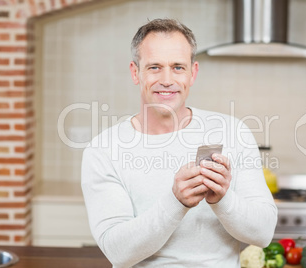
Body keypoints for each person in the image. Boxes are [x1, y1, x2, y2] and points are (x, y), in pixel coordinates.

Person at [81, 18, 277, 268]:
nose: (166, 79)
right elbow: (118, 252)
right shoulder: (103, 150)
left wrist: (223, 199)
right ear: (135, 72)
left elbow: (263, 233)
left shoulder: (232, 132)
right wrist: (176, 202)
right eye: (154, 67)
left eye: (177, 67)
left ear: (192, 73)